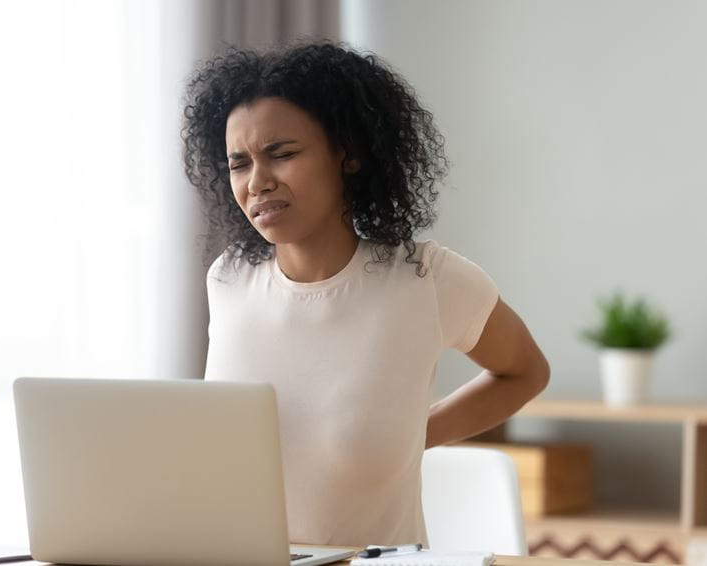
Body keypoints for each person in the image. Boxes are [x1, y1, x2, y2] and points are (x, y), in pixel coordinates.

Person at [180, 40, 550, 548]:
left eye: (281, 154)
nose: (256, 182)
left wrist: (418, 434)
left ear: (348, 154)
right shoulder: (227, 280)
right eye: (238, 164)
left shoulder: (427, 280)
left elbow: (525, 371)